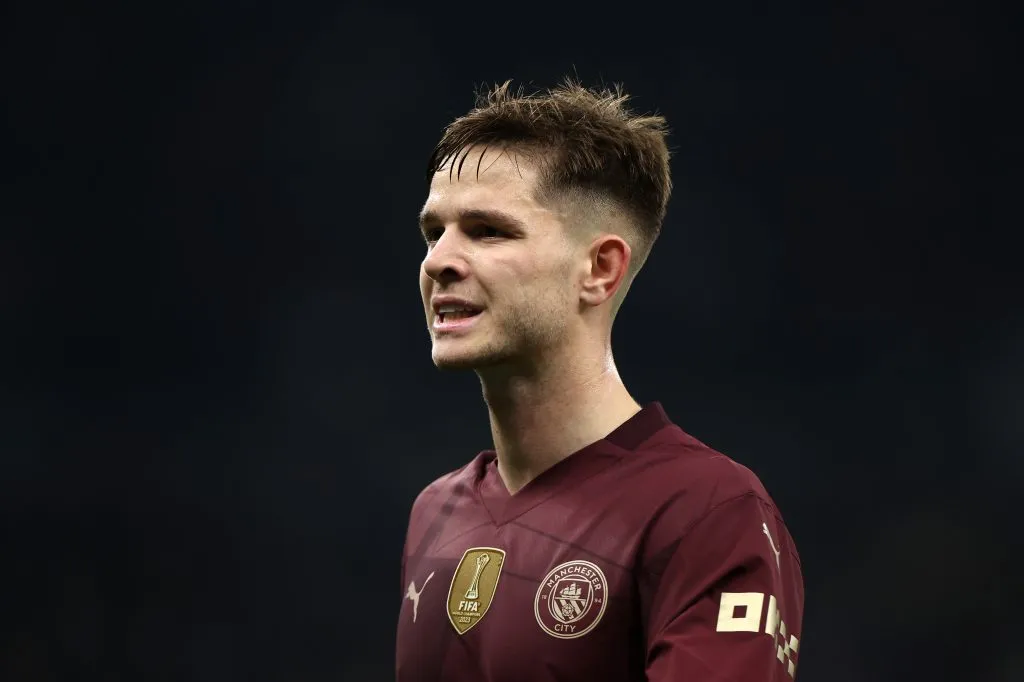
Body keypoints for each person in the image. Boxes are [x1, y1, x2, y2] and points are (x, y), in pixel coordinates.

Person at [396, 79, 804, 682]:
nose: (439, 261)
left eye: (488, 231)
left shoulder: (707, 510)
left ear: (599, 268)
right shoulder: (435, 511)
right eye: (435, 232)